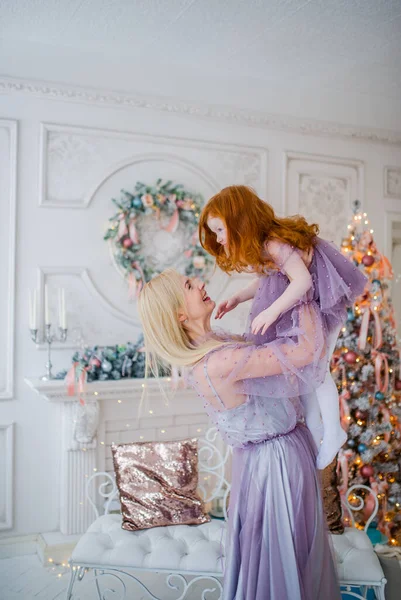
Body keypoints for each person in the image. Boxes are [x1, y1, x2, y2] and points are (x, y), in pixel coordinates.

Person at [138, 268, 341, 600]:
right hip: (275, 466)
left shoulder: (218, 344)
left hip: (271, 458)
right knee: (282, 562)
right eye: (189, 286)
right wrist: (300, 289)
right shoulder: (218, 361)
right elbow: (306, 352)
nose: (201, 283)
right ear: (179, 314)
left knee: (286, 558)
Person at [199, 185, 367, 469]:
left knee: (318, 370)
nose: (219, 238)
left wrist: (272, 310)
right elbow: (268, 279)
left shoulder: (275, 244)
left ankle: (334, 431)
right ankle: (316, 434)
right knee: (307, 377)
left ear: (239, 221)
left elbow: (302, 282)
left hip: (308, 312)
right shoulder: (264, 248)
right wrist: (239, 297)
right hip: (296, 314)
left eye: (220, 229)